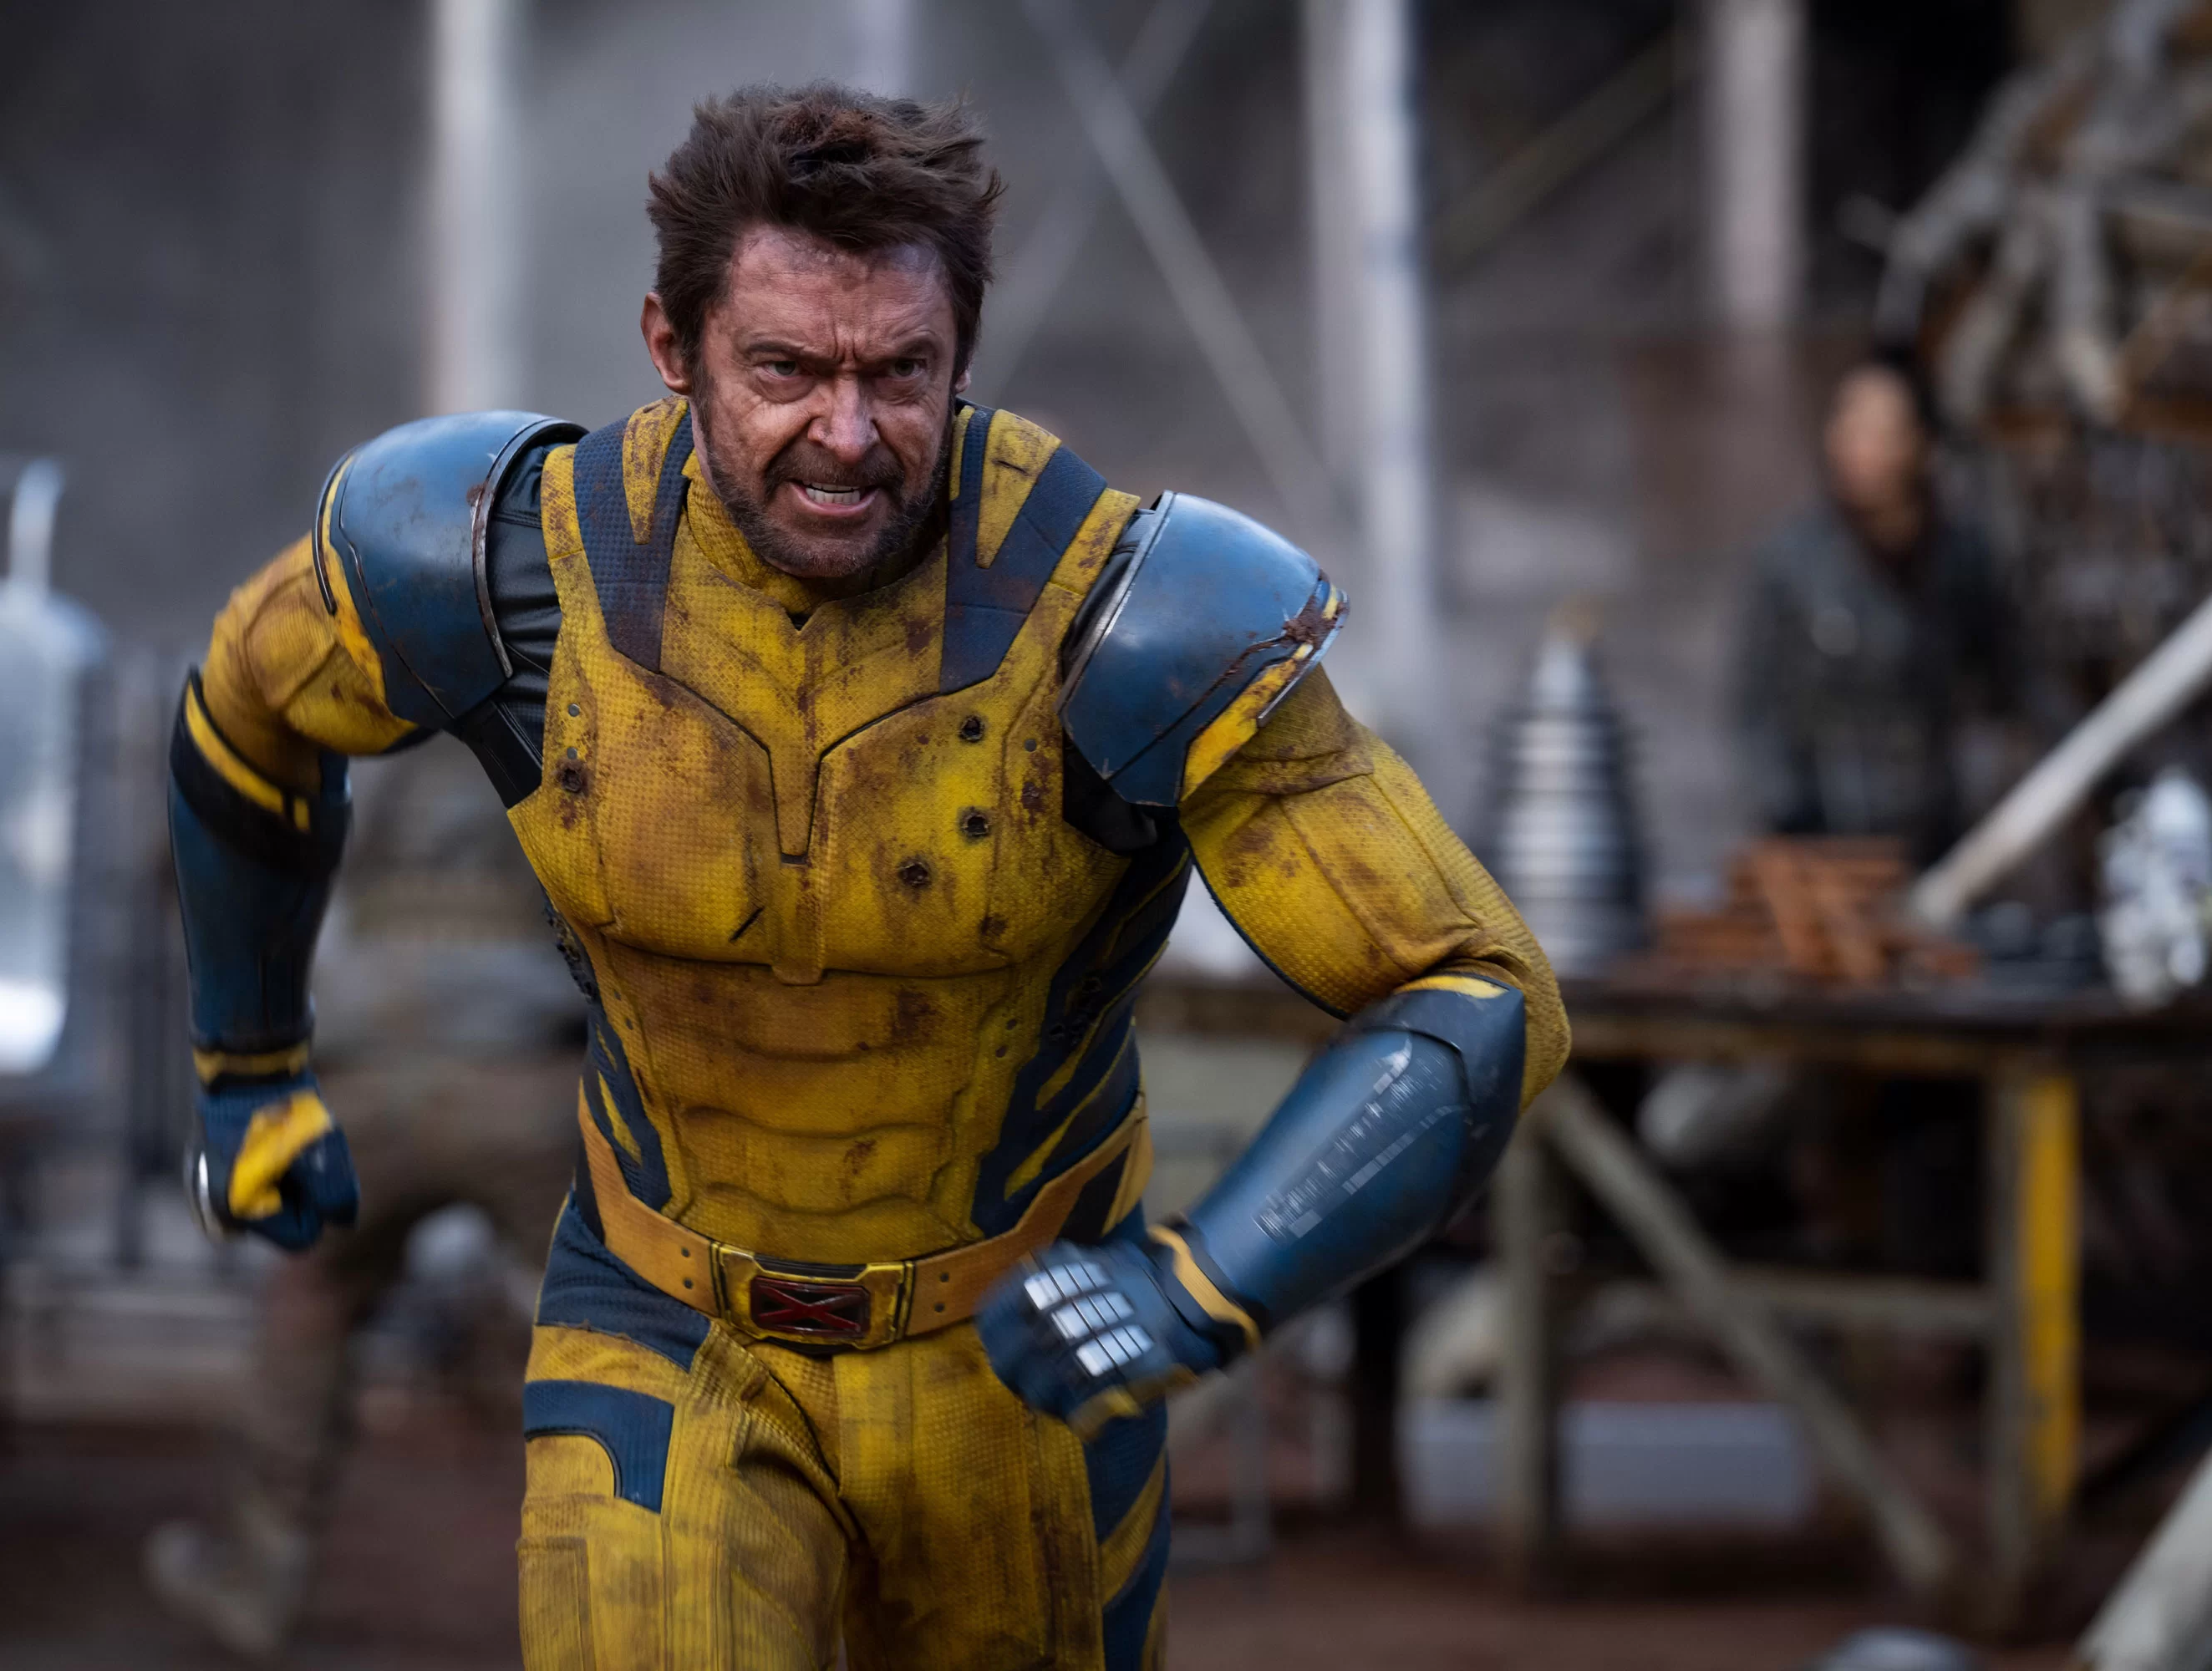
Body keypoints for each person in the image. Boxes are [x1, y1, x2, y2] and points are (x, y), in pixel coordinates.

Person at [165, 84, 1565, 1669]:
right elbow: (246, 712)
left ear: (963, 353)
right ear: (672, 344)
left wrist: (1203, 1286)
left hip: (1016, 1357)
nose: (845, 433)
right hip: (663, 1327)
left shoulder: (1127, 613)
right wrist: (247, 1068)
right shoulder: (500, 560)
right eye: (785, 368)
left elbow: (1475, 986)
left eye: (900, 372)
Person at [146, 740, 585, 1658]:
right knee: (596, 1333)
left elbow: (210, 839)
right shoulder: (579, 694)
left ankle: (258, 1576)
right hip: (529, 1067)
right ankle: (615, 1595)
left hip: (367, 1064)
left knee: (310, 1300)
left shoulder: (344, 698)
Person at [1735, 351, 2022, 864]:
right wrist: (1790, 816)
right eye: (1848, 426)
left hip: (1938, 838)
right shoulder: (1792, 563)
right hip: (1826, 840)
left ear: (1922, 444)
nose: (1857, 447)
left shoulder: (1961, 558)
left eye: (1879, 432)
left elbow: (2016, 681)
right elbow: (1756, 709)